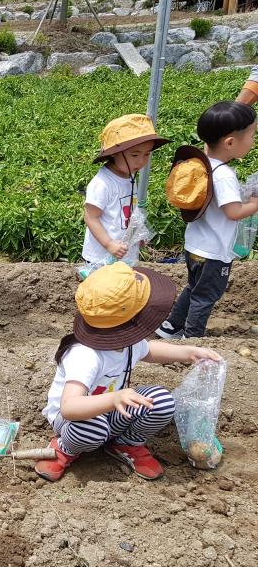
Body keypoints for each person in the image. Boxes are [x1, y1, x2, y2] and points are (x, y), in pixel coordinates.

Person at [35, 263, 222, 482]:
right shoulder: (85, 355)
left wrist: (189, 352)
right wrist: (114, 397)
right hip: (75, 420)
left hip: (112, 413)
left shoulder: (128, 342)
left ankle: (127, 442)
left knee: (162, 401)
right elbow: (70, 408)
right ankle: (65, 447)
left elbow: (150, 350)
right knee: (93, 428)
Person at [156, 101, 258, 339]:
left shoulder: (202, 164)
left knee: (194, 288)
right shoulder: (224, 174)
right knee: (206, 296)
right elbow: (233, 212)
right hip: (214, 252)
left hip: (194, 246)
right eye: (252, 135)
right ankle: (192, 338)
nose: (253, 141)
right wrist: (254, 203)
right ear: (230, 143)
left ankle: (171, 326)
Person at [81, 114, 169, 268]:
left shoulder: (130, 176)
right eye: (135, 154)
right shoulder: (102, 183)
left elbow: (129, 210)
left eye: (147, 154)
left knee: (124, 289)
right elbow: (90, 217)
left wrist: (137, 234)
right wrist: (109, 244)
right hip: (102, 256)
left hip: (125, 254)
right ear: (114, 153)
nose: (141, 161)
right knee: (103, 290)